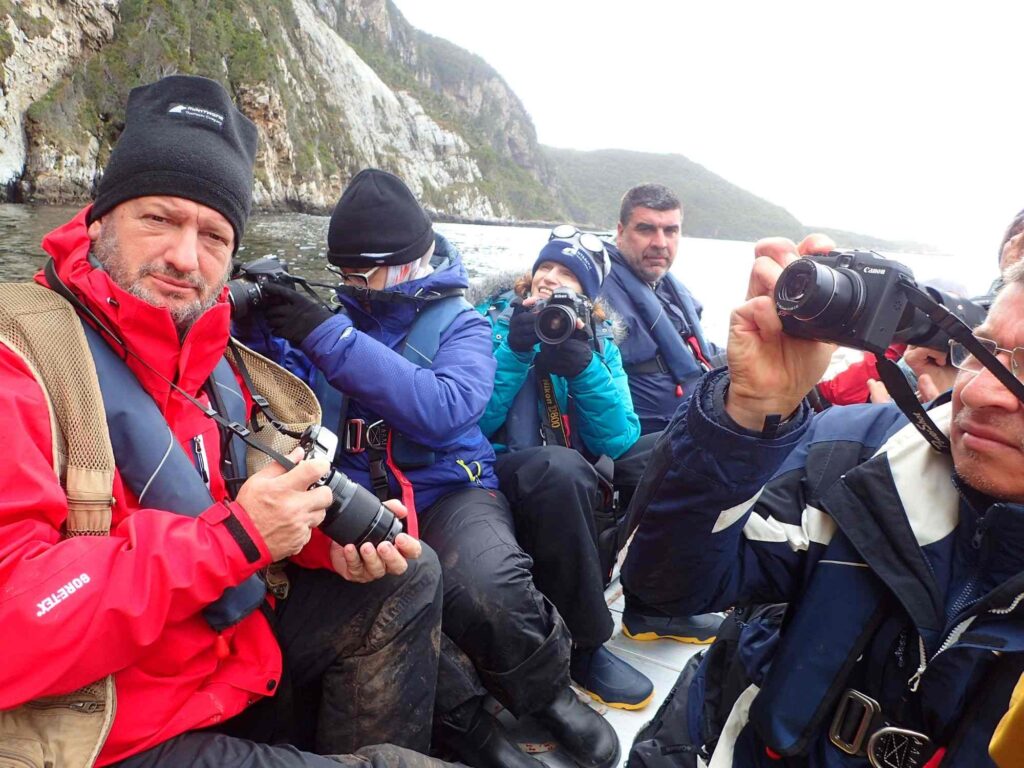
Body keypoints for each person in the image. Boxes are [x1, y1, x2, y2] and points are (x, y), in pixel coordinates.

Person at [0, 76, 457, 768]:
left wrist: (318, 546)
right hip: (103, 725)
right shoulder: (19, 359)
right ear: (98, 221)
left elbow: (237, 516)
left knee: (408, 575)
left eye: (214, 234)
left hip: (223, 660)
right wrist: (236, 539)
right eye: (158, 219)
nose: (186, 257)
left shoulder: (219, 365)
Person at [236, 169, 620, 768]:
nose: (350, 285)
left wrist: (325, 334)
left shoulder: (462, 323)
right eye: (342, 274)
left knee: (486, 583)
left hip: (453, 489)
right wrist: (260, 325)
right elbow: (285, 395)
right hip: (361, 499)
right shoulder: (330, 318)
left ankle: (550, 695)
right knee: (394, 590)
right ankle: (472, 726)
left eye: (362, 273)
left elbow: (446, 410)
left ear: (411, 261)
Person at [621, 233, 1024, 766]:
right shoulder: (854, 453)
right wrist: (745, 417)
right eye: (985, 350)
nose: (978, 390)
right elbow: (666, 587)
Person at [475, 228, 654, 711]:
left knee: (666, 450)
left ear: (588, 298)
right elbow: (470, 418)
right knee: (560, 469)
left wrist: (584, 367)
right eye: (547, 268)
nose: (551, 280)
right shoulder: (486, 321)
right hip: (496, 464)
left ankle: (655, 601)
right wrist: (514, 351)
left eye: (569, 276)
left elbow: (619, 438)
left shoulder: (598, 341)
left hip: (565, 463)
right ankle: (586, 645)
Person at [600, 183, 725, 646]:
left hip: (685, 414)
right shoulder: (600, 289)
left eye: (671, 230)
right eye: (646, 229)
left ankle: (702, 582)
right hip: (634, 435)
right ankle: (652, 608)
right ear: (620, 231)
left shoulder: (666, 288)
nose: (660, 242)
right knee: (701, 465)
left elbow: (700, 353)